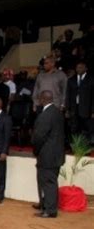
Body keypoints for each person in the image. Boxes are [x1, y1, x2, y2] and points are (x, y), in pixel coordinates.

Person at [32, 90, 65, 218]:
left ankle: (50, 210)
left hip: (47, 155)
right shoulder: (57, 112)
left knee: (48, 182)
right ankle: (44, 203)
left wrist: (36, 150)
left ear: (42, 99)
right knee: (47, 181)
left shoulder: (45, 115)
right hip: (56, 154)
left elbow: (39, 136)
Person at [65, 61, 94, 142]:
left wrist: (93, 111)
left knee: (86, 129)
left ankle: (85, 147)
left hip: (86, 109)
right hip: (74, 109)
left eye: (81, 67)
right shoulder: (71, 80)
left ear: (86, 68)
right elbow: (68, 95)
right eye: (77, 67)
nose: (78, 69)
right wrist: (67, 109)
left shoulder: (91, 80)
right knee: (73, 128)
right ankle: (74, 146)